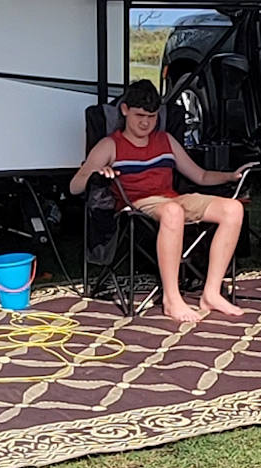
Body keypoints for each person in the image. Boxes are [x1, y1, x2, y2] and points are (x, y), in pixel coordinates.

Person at [69, 79, 250, 324]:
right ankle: (171, 299)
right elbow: (74, 187)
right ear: (124, 110)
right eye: (139, 115)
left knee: (233, 209)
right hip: (136, 205)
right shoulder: (110, 145)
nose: (145, 123)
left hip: (172, 199)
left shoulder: (165, 140)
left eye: (152, 117)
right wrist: (96, 172)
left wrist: (231, 175)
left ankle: (211, 293)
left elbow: (200, 176)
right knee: (173, 211)